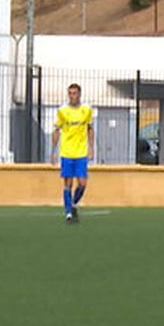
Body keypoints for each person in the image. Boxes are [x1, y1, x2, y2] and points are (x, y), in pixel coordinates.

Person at [51, 84, 93, 223]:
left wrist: (91, 148)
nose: (72, 96)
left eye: (74, 93)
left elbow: (89, 129)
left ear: (79, 94)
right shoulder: (62, 111)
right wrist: (53, 151)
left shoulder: (86, 110)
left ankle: (74, 203)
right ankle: (68, 213)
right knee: (68, 183)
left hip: (81, 152)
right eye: (70, 93)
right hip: (67, 152)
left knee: (82, 183)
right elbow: (57, 130)